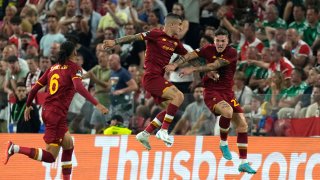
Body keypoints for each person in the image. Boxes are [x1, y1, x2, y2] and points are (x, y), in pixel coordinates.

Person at [3, 41, 108, 180]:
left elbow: (34, 89)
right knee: (51, 157)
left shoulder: (52, 68)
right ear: (73, 53)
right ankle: (15, 148)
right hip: (56, 115)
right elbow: (79, 87)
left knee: (69, 144)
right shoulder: (74, 68)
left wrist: (28, 105)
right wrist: (96, 103)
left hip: (48, 111)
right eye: (75, 50)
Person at [165, 28, 256, 174]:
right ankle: (223, 143)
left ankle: (243, 162)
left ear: (228, 41)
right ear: (214, 41)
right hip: (212, 92)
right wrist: (175, 65)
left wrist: (193, 70)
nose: (220, 43)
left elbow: (215, 65)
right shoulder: (208, 49)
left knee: (243, 125)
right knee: (227, 111)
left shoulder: (231, 53)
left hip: (228, 93)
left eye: (223, 41)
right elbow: (190, 55)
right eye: (218, 40)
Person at [103, 13, 187, 150]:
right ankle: (163, 130)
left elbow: (189, 55)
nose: (181, 28)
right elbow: (135, 37)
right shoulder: (155, 34)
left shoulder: (175, 42)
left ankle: (145, 133)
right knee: (179, 96)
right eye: (179, 25)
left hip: (158, 78)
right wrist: (115, 41)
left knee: (171, 107)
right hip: (151, 77)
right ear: (171, 24)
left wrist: (205, 65)